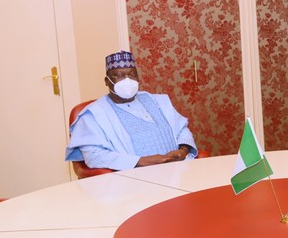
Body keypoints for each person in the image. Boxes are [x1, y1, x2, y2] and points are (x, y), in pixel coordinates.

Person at [65, 50, 198, 170]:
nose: (127, 80)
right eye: (119, 75)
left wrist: (183, 150)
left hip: (177, 170)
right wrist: (141, 161)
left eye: (132, 74)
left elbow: (182, 128)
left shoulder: (157, 101)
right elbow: (94, 156)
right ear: (107, 81)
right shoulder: (94, 114)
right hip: (133, 179)